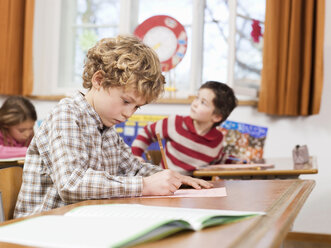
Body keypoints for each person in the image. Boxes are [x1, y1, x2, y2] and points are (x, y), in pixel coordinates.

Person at [14, 35, 212, 218]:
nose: (129, 113)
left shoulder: (106, 127)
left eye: (136, 107)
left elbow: (132, 168)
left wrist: (173, 179)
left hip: (81, 224)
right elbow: (71, 184)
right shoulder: (66, 114)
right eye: (126, 101)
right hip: (43, 227)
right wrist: (144, 185)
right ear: (99, 80)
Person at [131, 81, 238, 174]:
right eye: (197, 98)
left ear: (217, 117)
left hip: (197, 188)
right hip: (169, 185)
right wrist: (136, 155)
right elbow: (147, 132)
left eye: (203, 102)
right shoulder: (175, 123)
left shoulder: (217, 139)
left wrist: (236, 162)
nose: (195, 104)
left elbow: (217, 160)